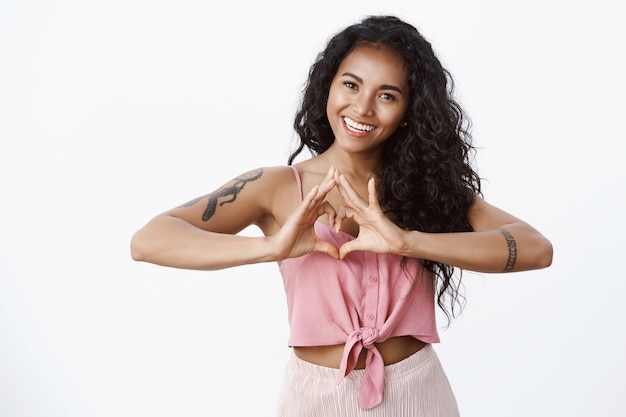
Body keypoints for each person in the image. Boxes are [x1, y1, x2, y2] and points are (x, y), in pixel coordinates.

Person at [130, 15, 553, 417]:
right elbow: (149, 240)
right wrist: (270, 247)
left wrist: (406, 241)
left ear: (410, 110)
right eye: (351, 85)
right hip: (316, 397)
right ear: (327, 87)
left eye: (387, 95)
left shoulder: (429, 189)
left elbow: (536, 249)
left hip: (419, 393)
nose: (363, 108)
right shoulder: (276, 186)